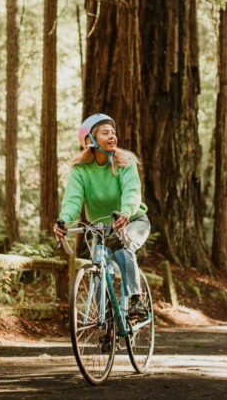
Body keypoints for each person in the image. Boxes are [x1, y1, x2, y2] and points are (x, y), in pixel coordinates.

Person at [53, 113, 151, 318]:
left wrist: (126, 213)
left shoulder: (125, 162)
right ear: (90, 140)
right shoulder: (80, 170)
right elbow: (72, 200)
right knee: (99, 266)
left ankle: (135, 300)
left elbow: (132, 191)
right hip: (103, 227)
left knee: (123, 247)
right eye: (105, 133)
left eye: (113, 132)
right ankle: (104, 319)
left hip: (133, 220)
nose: (112, 136)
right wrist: (64, 221)